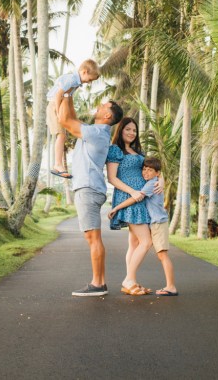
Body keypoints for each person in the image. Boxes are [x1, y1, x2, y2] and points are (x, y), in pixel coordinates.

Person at [55, 84, 124, 296]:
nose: (100, 105)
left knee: (93, 238)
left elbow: (65, 121)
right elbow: (72, 118)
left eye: (104, 105)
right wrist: (69, 94)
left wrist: (66, 91)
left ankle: (97, 284)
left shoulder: (96, 133)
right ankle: (100, 282)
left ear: (107, 115)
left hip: (88, 188)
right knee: (94, 238)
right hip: (91, 188)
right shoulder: (96, 132)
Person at [108, 157, 178, 296]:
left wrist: (116, 208)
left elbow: (136, 198)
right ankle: (131, 281)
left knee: (162, 255)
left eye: (150, 170)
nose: (145, 172)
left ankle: (171, 287)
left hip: (158, 222)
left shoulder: (151, 184)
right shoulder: (153, 181)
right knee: (150, 250)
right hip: (155, 222)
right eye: (144, 169)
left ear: (157, 173)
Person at [105, 117, 156, 296]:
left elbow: (153, 170)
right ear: (121, 130)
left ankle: (131, 281)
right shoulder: (115, 150)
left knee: (134, 243)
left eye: (134, 130)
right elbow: (112, 178)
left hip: (141, 198)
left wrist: (160, 182)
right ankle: (128, 280)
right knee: (146, 241)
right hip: (128, 196)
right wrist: (132, 192)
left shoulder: (137, 151)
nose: (132, 133)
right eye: (128, 129)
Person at [47, 59, 101, 179]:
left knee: (63, 135)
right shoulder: (71, 79)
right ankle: (57, 164)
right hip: (54, 105)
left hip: (60, 105)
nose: (89, 82)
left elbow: (68, 98)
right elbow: (58, 95)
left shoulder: (76, 82)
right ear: (84, 72)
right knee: (61, 135)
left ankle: (58, 164)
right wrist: (57, 112)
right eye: (90, 79)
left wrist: (74, 118)